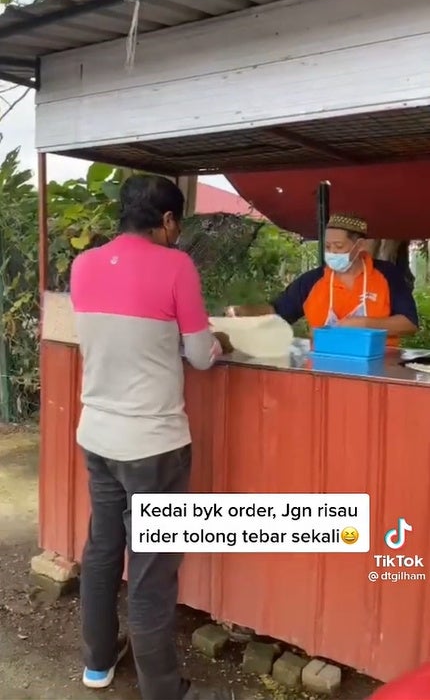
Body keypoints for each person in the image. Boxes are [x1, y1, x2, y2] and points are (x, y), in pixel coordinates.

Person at [70, 174, 233, 700]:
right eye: (177, 223)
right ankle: (164, 691)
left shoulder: (84, 264)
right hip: (155, 444)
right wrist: (219, 342)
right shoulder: (176, 266)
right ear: (167, 221)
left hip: (96, 435)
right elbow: (198, 355)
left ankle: (97, 663)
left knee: (101, 551)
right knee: (152, 570)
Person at [226, 213, 418, 345]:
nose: (332, 252)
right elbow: (277, 311)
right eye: (327, 246)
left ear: (359, 245)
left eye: (339, 246)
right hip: (324, 365)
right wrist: (243, 312)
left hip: (380, 365)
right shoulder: (313, 280)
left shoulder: (386, 275)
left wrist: (364, 324)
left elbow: (409, 323)